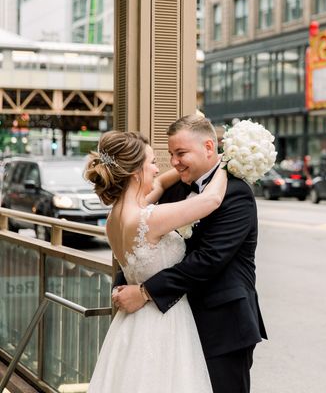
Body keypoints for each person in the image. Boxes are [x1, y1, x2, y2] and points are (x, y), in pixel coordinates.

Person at [113, 114, 267, 393]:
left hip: (222, 327)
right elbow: (142, 239)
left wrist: (145, 291)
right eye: (171, 154)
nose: (173, 162)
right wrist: (124, 281)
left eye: (181, 153)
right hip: (172, 326)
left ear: (209, 148)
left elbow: (209, 259)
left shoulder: (237, 193)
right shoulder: (174, 188)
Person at [84, 130, 228, 392]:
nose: (156, 168)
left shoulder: (114, 218)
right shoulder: (147, 219)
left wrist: (184, 170)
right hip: (163, 322)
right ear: (135, 171)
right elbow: (212, 199)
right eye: (151, 162)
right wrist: (228, 163)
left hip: (132, 323)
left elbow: (160, 184)